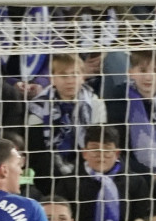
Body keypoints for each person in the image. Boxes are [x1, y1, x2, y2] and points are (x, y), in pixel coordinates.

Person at [27, 52, 107, 195]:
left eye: (75, 74)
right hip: (49, 167)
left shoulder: (95, 103)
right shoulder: (38, 106)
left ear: (83, 77)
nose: (70, 80)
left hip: (84, 162)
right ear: (52, 79)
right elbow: (36, 148)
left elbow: (97, 140)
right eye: (64, 75)